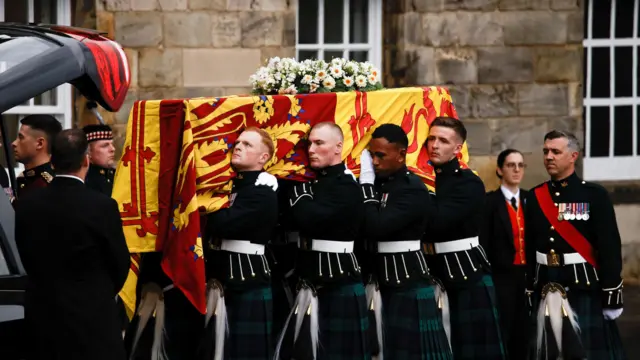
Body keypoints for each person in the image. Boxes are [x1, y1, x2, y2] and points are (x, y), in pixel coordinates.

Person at [14, 128, 130, 360]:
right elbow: (119, 263)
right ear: (86, 159)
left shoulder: (27, 204)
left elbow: (25, 253)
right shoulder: (102, 206)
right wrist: (97, 292)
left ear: (53, 163)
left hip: (44, 314)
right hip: (92, 317)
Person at [524, 130, 626, 360]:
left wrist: (611, 293)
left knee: (585, 352)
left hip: (582, 285)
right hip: (545, 284)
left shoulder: (594, 195)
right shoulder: (535, 196)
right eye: (545, 151)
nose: (549, 156)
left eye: (555, 152)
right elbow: (529, 246)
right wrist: (530, 287)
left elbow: (609, 247)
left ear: (573, 156)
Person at [274, 122, 369, 360]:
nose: (311, 150)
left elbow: (310, 219)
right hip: (308, 278)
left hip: (337, 280)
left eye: (319, 143)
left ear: (338, 147)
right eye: (309, 144)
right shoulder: (311, 183)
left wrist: (299, 197)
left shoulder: (346, 186)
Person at [359, 124, 452, 359]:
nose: (375, 162)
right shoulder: (380, 184)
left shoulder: (412, 189)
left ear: (401, 154)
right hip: (376, 281)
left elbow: (376, 226)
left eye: (381, 155)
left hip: (405, 281)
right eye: (372, 155)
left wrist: (366, 185)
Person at [422, 116, 505, 359]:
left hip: (464, 274)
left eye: (443, 140)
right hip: (429, 273)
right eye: (431, 138)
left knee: (470, 350)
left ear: (458, 148)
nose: (435, 145)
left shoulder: (468, 182)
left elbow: (437, 222)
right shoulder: (424, 178)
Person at [198, 127, 279, 359]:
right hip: (221, 276)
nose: (239, 147)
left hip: (246, 278)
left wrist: (206, 208)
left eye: (248, 145)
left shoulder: (263, 190)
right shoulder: (230, 185)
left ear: (263, 158)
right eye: (238, 142)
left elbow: (225, 223)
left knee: (244, 352)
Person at [480, 148, 529, 359]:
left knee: (526, 330)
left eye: (520, 165)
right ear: (500, 170)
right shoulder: (489, 203)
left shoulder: (531, 200)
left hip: (527, 277)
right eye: (511, 165)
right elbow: (483, 241)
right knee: (503, 328)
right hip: (501, 277)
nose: (516, 170)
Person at [11, 114, 62, 199]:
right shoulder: (24, 179)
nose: (14, 143)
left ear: (39, 144)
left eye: (21, 137)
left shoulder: (47, 185)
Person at [83, 124, 116, 195]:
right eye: (105, 146)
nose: (113, 149)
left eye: (112, 144)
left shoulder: (117, 176)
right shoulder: (85, 180)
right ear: (89, 152)